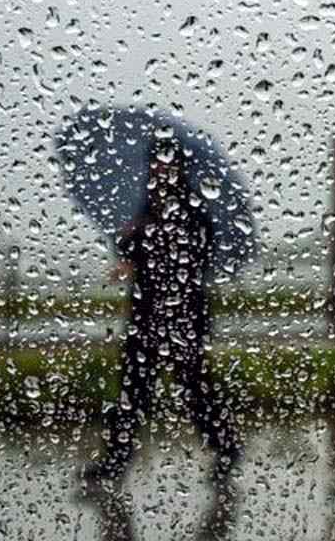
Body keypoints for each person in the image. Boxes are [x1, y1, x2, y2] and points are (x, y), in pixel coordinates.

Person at [80, 135, 243, 541]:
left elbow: (198, 255)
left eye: (167, 164)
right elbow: (131, 248)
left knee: (194, 391)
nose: (160, 171)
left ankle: (226, 448)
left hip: (183, 318)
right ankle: (116, 461)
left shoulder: (193, 209)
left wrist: (152, 241)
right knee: (133, 391)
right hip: (146, 316)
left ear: (178, 167)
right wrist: (131, 239)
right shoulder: (146, 206)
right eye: (155, 164)